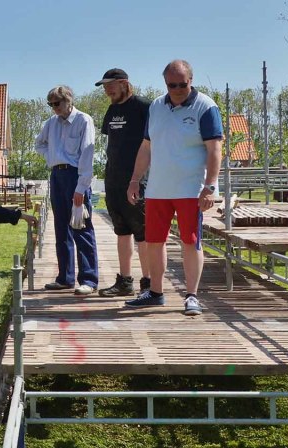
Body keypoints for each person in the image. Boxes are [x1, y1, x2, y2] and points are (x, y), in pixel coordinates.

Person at [124, 60, 223, 316]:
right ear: (165, 83)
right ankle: (155, 292)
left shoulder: (206, 107)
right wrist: (135, 179)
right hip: (158, 189)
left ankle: (191, 296)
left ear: (191, 80)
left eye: (182, 84)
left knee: (191, 242)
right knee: (154, 242)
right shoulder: (156, 106)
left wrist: (210, 186)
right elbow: (146, 147)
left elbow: (215, 149)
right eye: (171, 85)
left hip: (191, 189)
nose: (177, 89)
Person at [35, 85, 99, 295]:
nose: (54, 108)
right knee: (61, 228)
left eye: (57, 103)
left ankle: (88, 279)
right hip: (57, 175)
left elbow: (87, 155)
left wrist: (81, 187)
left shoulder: (83, 120)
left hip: (75, 176)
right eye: (51, 104)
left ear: (69, 100)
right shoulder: (51, 123)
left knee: (81, 227)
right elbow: (39, 144)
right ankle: (65, 277)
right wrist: (51, 156)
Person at [95, 68, 152, 297]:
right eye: (105, 86)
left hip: (137, 181)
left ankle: (149, 283)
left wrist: (139, 178)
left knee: (143, 234)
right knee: (121, 231)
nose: (107, 90)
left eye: (110, 85)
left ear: (124, 83)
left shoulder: (144, 107)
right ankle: (125, 281)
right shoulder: (112, 110)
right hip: (113, 180)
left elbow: (152, 145)